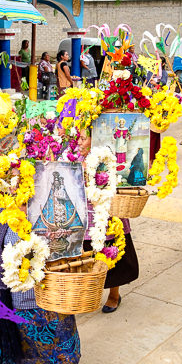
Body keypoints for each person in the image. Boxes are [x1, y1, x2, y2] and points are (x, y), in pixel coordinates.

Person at [0, 208, 79, 364]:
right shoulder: (5, 212)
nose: (15, 183)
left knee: (54, 328)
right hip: (14, 287)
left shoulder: (46, 207)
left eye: (21, 178)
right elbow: (2, 246)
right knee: (14, 331)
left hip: (46, 285)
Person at [80, 132, 140, 312]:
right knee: (87, 258)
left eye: (84, 139)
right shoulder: (75, 157)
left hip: (107, 215)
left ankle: (114, 293)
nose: (79, 142)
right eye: (79, 138)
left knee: (112, 252)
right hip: (85, 218)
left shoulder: (109, 158)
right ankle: (88, 293)